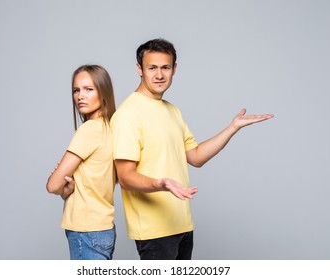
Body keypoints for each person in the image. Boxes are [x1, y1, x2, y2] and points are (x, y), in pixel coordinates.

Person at [110, 38, 274, 260]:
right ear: (139, 69)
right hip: (155, 232)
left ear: (174, 69)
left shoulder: (172, 110)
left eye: (165, 67)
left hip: (183, 225)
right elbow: (126, 177)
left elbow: (195, 157)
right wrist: (160, 183)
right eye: (152, 68)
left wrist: (232, 128)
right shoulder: (127, 115)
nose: (159, 74)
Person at [46, 64, 116, 260]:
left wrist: (60, 184)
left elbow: (52, 185)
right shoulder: (111, 129)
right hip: (104, 227)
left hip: (86, 230)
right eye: (76, 90)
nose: (80, 96)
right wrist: (66, 189)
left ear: (103, 91)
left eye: (88, 89)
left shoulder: (89, 130)